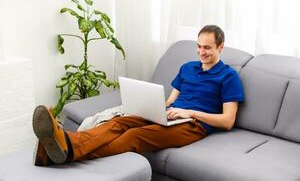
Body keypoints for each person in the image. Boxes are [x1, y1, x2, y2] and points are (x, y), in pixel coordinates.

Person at [32, 25, 244, 166]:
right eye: (198, 46)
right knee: (119, 123)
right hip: (170, 114)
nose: (201, 52)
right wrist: (153, 107)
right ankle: (63, 144)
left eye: (207, 47)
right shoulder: (187, 67)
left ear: (221, 47)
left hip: (193, 124)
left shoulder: (229, 76)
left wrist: (187, 112)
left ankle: (62, 150)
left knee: (134, 136)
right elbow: (171, 100)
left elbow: (227, 121)